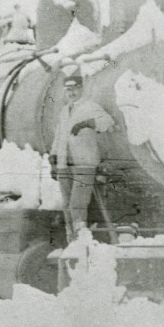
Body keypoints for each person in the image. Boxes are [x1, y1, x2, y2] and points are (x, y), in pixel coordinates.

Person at [49, 71, 115, 240]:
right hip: (65, 164)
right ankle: (71, 238)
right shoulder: (65, 111)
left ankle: (81, 240)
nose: (72, 93)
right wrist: (53, 157)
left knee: (77, 204)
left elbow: (107, 122)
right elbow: (59, 136)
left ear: (81, 89)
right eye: (68, 90)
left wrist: (88, 123)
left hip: (84, 164)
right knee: (66, 204)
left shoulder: (90, 106)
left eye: (75, 89)